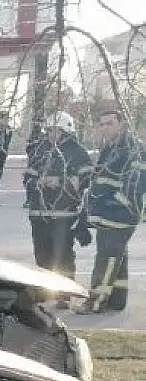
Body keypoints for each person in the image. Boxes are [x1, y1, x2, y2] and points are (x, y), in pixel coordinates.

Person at [22, 111, 93, 310]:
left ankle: (64, 293)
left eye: (54, 130)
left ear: (65, 130)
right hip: (39, 212)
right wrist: (37, 183)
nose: (50, 134)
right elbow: (28, 176)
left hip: (64, 213)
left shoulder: (77, 152)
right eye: (49, 130)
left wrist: (61, 182)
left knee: (62, 254)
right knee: (42, 253)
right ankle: (44, 291)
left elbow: (87, 179)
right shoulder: (40, 150)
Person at [79, 110, 144, 314]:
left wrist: (109, 204)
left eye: (110, 123)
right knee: (117, 256)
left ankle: (96, 302)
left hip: (120, 215)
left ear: (122, 123)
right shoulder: (110, 149)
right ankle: (117, 300)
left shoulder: (133, 149)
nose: (105, 128)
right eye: (102, 124)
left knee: (107, 259)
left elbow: (133, 187)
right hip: (108, 215)